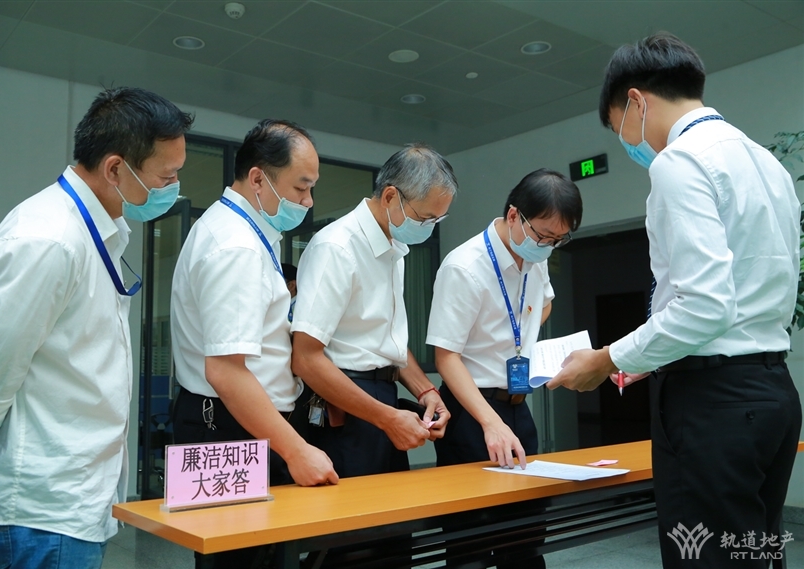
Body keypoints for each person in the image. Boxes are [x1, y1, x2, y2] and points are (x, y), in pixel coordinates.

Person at [548, 33, 801, 568]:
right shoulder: (767, 164)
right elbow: (750, 293)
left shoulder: (680, 161)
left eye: (617, 125)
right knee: (753, 553)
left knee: (704, 558)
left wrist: (607, 359)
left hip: (713, 406)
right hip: (773, 393)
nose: (628, 142)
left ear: (636, 102)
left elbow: (706, 305)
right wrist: (654, 355)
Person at [0, 87, 192, 569]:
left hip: (70, 504)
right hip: (40, 512)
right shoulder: (49, 239)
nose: (173, 188)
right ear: (115, 169)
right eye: (166, 177)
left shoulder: (93, 231)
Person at [170, 119, 338, 568]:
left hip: (231, 420)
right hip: (229, 425)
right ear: (259, 178)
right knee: (242, 559)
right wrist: (296, 450)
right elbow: (225, 371)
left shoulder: (238, 230)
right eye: (301, 188)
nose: (308, 202)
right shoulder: (236, 245)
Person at [426, 168, 581, 569]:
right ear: (514, 215)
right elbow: (446, 357)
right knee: (471, 546)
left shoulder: (535, 257)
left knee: (526, 539)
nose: (548, 246)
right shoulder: (464, 266)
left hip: (516, 408)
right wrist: (490, 423)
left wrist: (525, 344)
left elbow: (544, 302)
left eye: (558, 240)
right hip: (471, 413)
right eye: (543, 236)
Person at [291, 143, 454, 478]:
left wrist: (426, 391)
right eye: (425, 218)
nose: (429, 227)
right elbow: (305, 358)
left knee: (395, 510)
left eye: (438, 219)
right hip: (344, 403)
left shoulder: (394, 246)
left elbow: (385, 341)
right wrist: (387, 418)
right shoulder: (337, 248)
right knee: (357, 511)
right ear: (391, 196)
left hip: (384, 397)